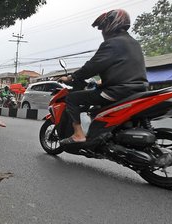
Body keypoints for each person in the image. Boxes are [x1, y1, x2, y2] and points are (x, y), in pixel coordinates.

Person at [59, 9, 148, 145]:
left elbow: (92, 67)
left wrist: (71, 78)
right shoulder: (134, 43)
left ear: (111, 24)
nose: (102, 32)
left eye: (103, 27)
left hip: (117, 92)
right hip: (139, 90)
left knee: (72, 98)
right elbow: (122, 67)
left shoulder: (112, 43)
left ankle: (78, 134)